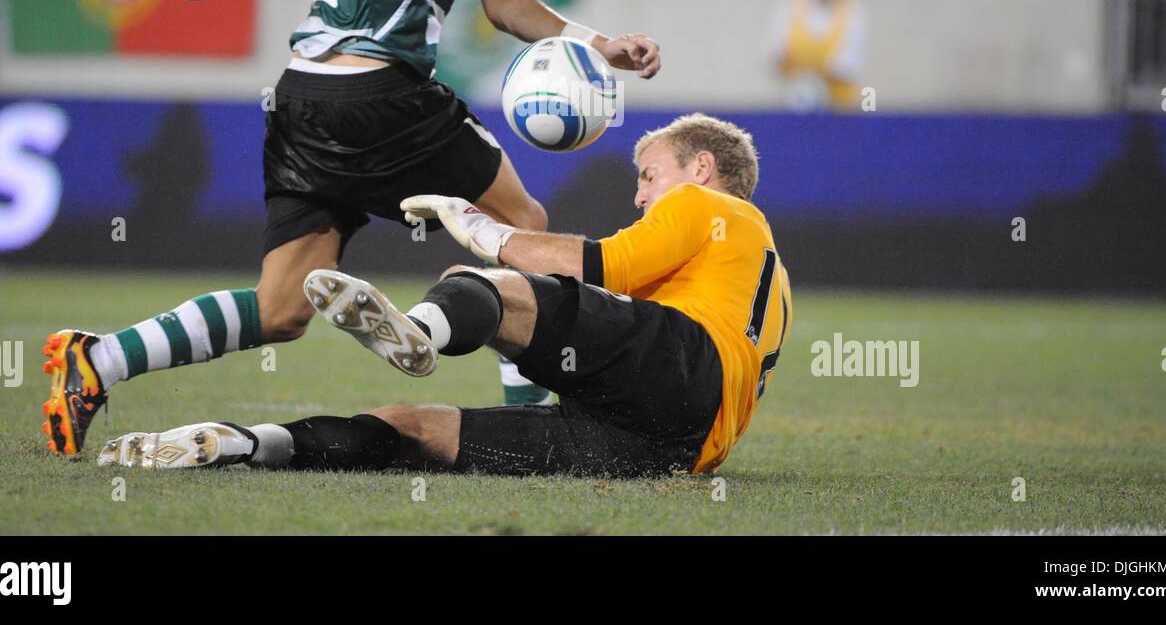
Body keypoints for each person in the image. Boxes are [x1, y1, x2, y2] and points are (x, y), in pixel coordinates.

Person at [40, 0, 662, 457]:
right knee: (524, 226)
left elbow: (505, 6)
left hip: (309, 103)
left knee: (280, 310)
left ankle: (96, 361)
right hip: (378, 92)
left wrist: (601, 44)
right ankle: (524, 419)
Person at [96, 114, 792, 479]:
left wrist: (478, 227)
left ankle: (422, 333)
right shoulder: (758, 268)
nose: (639, 194)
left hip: (682, 370)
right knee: (420, 433)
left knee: (488, 287)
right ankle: (245, 446)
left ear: (700, 168)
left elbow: (599, 265)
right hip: (674, 446)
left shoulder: (708, 202)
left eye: (650, 176)